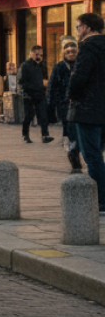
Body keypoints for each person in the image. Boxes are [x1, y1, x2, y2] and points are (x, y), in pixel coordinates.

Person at [68, 11, 105, 211]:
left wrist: (72, 94)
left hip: (89, 110)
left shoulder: (88, 48)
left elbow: (79, 78)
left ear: (88, 28)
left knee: (92, 155)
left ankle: (101, 200)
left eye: (78, 27)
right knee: (98, 153)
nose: (77, 31)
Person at [48, 40, 78, 166]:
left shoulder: (81, 65)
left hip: (79, 103)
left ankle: (74, 150)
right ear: (64, 53)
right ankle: (73, 153)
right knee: (69, 128)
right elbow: (52, 86)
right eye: (68, 51)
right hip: (64, 104)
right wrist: (50, 106)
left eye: (73, 51)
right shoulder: (59, 67)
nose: (70, 53)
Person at [19, 44, 53, 144]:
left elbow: (45, 78)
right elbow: (22, 81)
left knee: (43, 115)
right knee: (28, 116)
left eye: (41, 54)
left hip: (40, 93)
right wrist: (25, 91)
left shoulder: (42, 65)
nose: (39, 56)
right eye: (37, 54)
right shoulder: (25, 65)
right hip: (29, 94)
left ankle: (45, 135)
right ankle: (25, 135)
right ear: (32, 53)